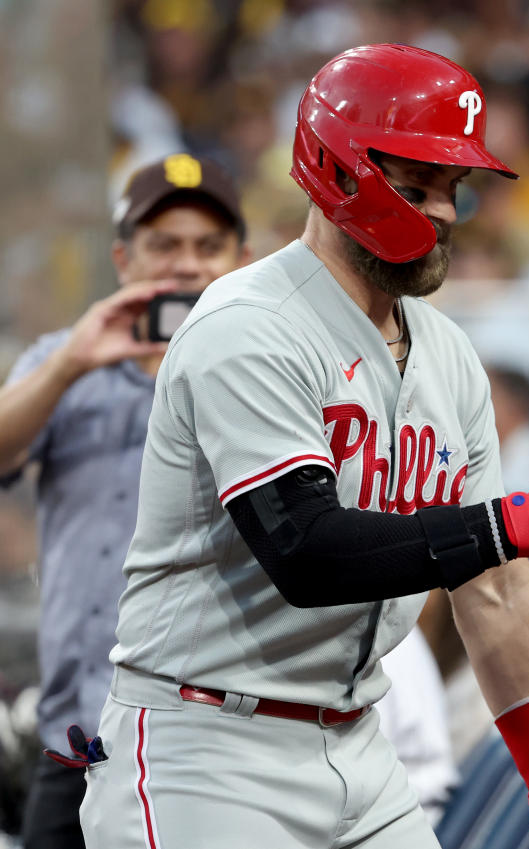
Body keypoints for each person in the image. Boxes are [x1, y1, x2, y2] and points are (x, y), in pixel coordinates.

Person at [74, 44, 529, 849]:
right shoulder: (248, 324)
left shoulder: (450, 353)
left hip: (359, 741)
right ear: (337, 170)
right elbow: (306, 549)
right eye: (419, 184)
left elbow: (491, 587)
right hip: (206, 743)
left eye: (454, 189)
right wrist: (519, 519)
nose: (446, 213)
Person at [0, 153, 250, 849]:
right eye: (164, 245)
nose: (187, 265)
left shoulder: (266, 375)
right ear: (123, 258)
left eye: (208, 246)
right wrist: (71, 363)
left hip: (215, 742)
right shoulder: (65, 360)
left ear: (244, 259)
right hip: (78, 738)